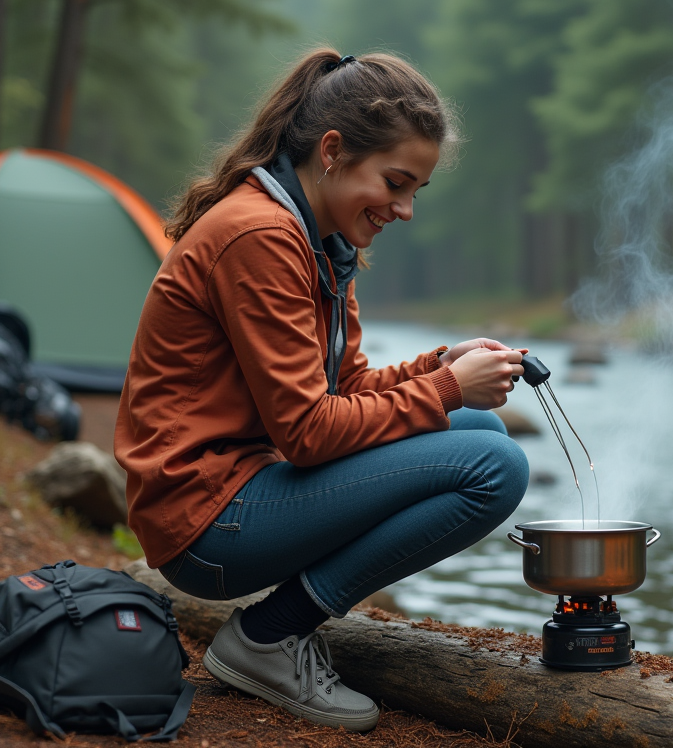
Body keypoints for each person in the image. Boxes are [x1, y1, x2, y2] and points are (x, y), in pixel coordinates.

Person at [115, 49, 530, 732]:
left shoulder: (320, 241)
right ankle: (270, 638)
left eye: (415, 191)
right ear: (333, 151)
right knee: (495, 466)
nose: (404, 209)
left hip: (247, 489)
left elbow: (349, 390)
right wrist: (448, 390)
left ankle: (277, 632)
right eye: (395, 182)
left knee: (482, 436)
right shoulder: (259, 235)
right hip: (204, 520)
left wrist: (439, 364)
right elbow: (309, 434)